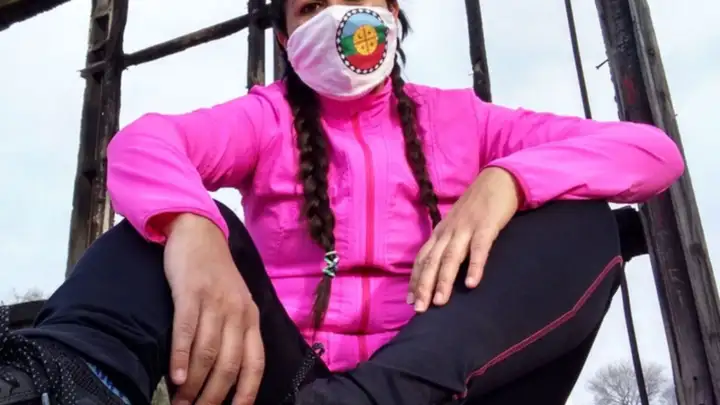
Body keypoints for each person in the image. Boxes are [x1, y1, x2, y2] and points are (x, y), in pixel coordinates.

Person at [0, 0, 684, 404]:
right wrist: (192, 227)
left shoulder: (462, 120)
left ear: (391, 14)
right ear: (286, 39)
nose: (335, 19)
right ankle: (58, 383)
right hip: (284, 383)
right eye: (309, 8)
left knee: (583, 221)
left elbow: (651, 152)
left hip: (441, 386)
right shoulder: (266, 118)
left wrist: (506, 181)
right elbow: (145, 142)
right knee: (149, 236)